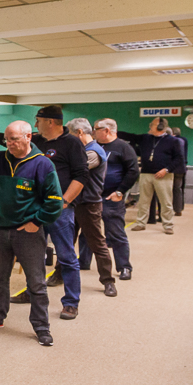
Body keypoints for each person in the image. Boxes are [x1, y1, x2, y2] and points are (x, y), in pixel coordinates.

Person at [0, 105, 88, 320]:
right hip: (31, 210)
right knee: (34, 259)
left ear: (49, 121)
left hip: (58, 209)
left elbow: (81, 175)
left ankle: (71, 302)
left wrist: (64, 201)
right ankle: (31, 292)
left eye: (38, 119)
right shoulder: (35, 140)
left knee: (66, 256)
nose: (36, 121)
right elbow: (3, 139)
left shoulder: (71, 143)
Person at [0, 121, 64, 346]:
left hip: (28, 232)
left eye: (15, 139)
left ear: (29, 137)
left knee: (36, 283)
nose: (10, 144)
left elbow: (55, 202)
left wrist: (36, 222)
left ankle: (41, 326)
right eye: (8, 139)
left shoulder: (42, 165)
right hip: (1, 230)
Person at [66, 118, 117, 298]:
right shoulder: (82, 150)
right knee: (65, 241)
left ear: (79, 132)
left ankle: (108, 281)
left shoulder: (94, 152)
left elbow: (75, 171)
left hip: (89, 204)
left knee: (97, 243)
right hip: (73, 203)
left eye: (70, 135)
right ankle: (58, 274)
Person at [86, 118, 139, 280]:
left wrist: (120, 192)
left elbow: (133, 171)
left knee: (116, 233)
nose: (93, 132)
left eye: (96, 129)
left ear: (107, 130)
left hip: (111, 197)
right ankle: (83, 262)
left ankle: (124, 267)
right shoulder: (93, 147)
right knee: (87, 232)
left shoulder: (123, 147)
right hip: (91, 196)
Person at [118, 117, 184, 234]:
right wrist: (113, 131)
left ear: (160, 127)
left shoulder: (173, 141)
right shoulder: (146, 138)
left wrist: (167, 170)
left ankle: (168, 225)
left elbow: (179, 159)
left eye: (152, 124)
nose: (150, 126)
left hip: (164, 175)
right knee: (143, 201)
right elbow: (131, 136)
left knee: (166, 201)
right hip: (146, 174)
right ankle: (141, 223)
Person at [171, 127, 189, 216]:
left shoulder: (172, 141)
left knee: (168, 189)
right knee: (179, 189)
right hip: (182, 167)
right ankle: (179, 209)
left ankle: (165, 209)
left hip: (173, 168)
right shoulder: (184, 140)